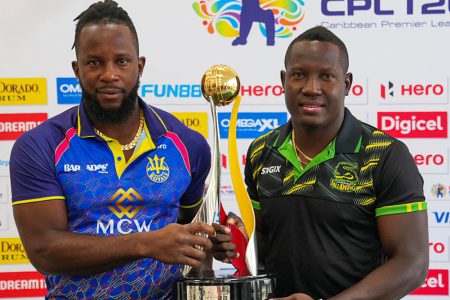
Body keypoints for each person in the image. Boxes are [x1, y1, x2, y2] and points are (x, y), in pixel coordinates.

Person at [10, 1, 215, 299]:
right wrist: (145, 243)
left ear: (140, 66)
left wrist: (216, 239)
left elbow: (190, 230)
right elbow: (45, 250)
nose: (109, 74)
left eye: (121, 61)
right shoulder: (40, 146)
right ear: (77, 70)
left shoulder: (188, 144)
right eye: (95, 63)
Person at [212, 26, 429, 299]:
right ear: (283, 80)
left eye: (326, 76)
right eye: (299, 75)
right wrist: (236, 243)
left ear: (347, 83)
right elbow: (264, 243)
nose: (311, 89)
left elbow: (412, 264)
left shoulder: (383, 154)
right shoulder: (261, 151)